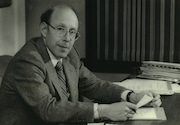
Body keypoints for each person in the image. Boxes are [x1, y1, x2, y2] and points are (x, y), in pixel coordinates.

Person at [0, 4, 161, 125]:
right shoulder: (29, 60)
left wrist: (131, 96)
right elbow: (48, 109)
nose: (67, 39)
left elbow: (92, 84)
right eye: (61, 29)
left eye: (72, 32)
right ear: (44, 29)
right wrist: (104, 111)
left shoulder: (69, 54)